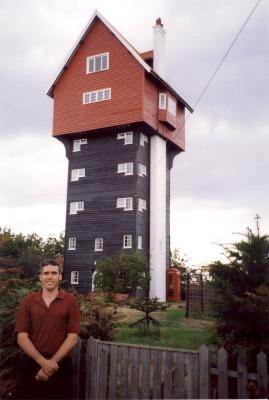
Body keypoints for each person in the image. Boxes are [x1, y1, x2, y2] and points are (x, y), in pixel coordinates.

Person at [14, 259, 80, 400]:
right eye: (46, 273)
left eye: (54, 273)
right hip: (31, 364)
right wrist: (44, 363)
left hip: (60, 366)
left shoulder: (70, 301)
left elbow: (72, 337)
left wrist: (51, 365)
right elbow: (21, 337)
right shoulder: (29, 301)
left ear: (60, 276)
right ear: (40, 276)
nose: (50, 276)